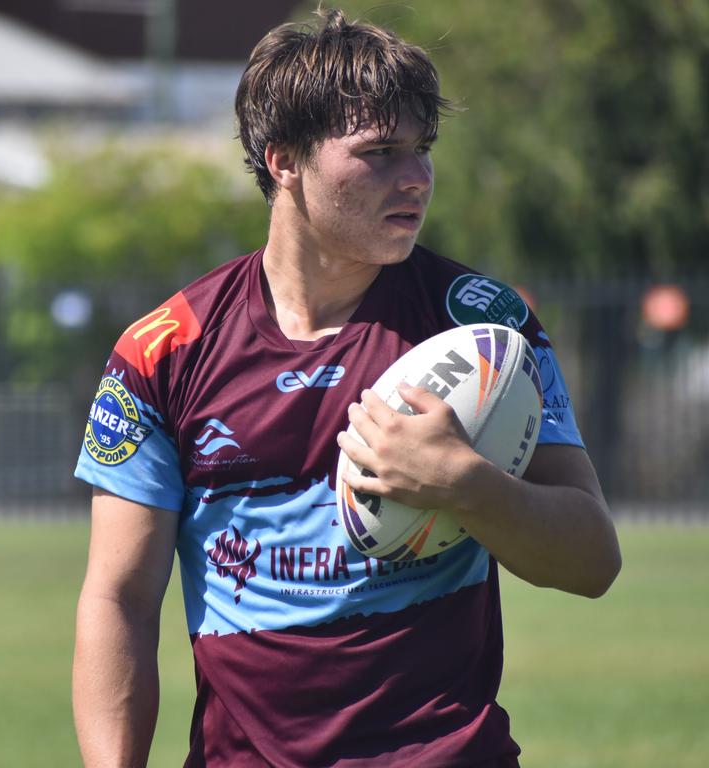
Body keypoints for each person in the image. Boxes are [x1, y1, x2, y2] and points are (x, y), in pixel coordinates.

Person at [72, 8, 621, 767]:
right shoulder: (164, 353)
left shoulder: (484, 331)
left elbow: (593, 559)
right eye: (380, 153)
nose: (416, 178)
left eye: (422, 150)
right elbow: (119, 601)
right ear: (284, 160)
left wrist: (464, 484)